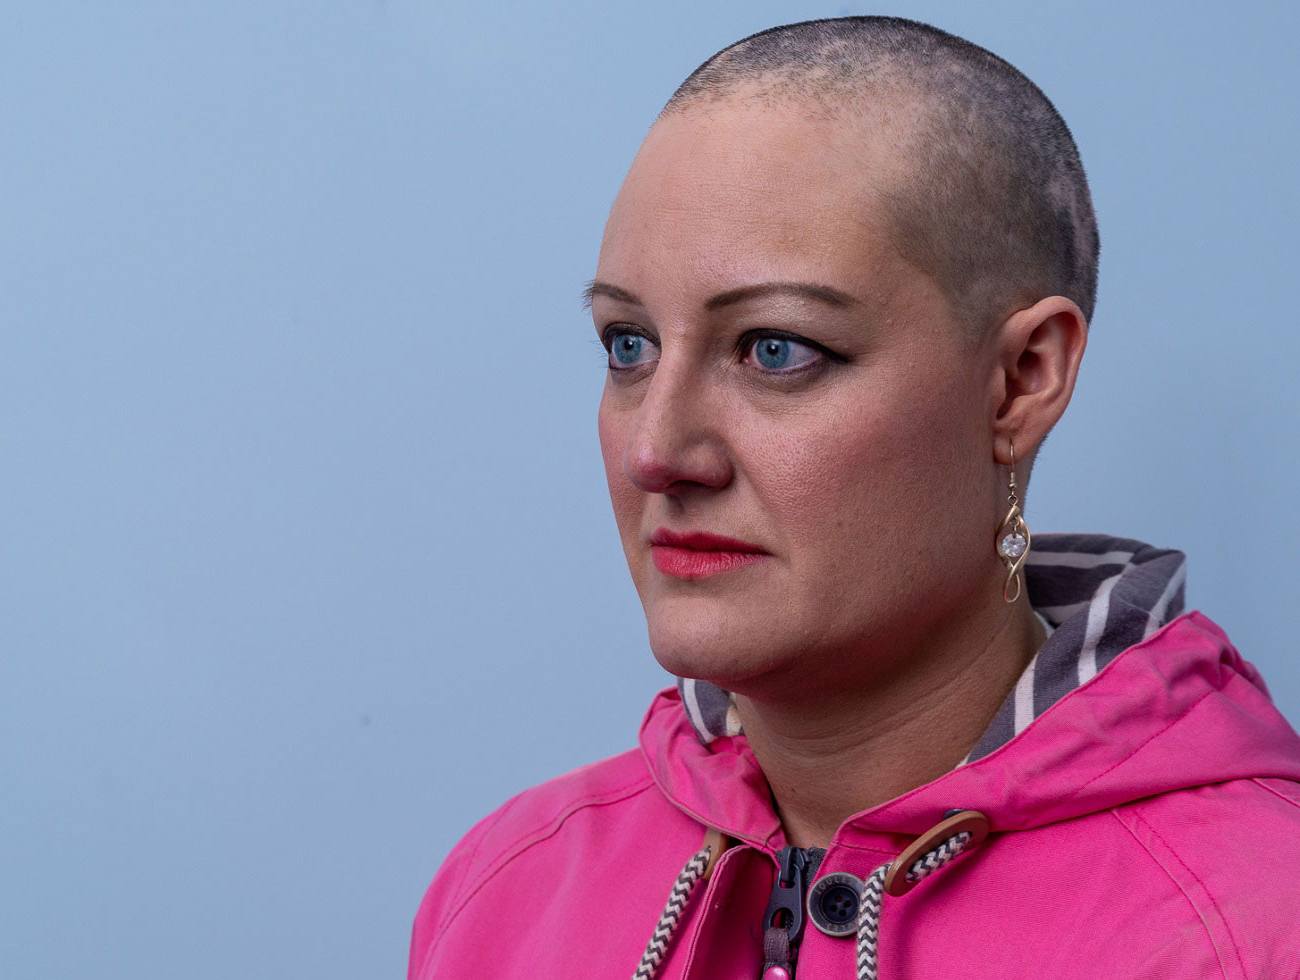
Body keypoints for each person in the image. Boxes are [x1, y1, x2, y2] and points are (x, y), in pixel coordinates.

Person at [407, 15, 1300, 979]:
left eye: (775, 349)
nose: (658, 451)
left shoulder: (1250, 928)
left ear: (1020, 381)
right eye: (629, 344)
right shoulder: (504, 892)